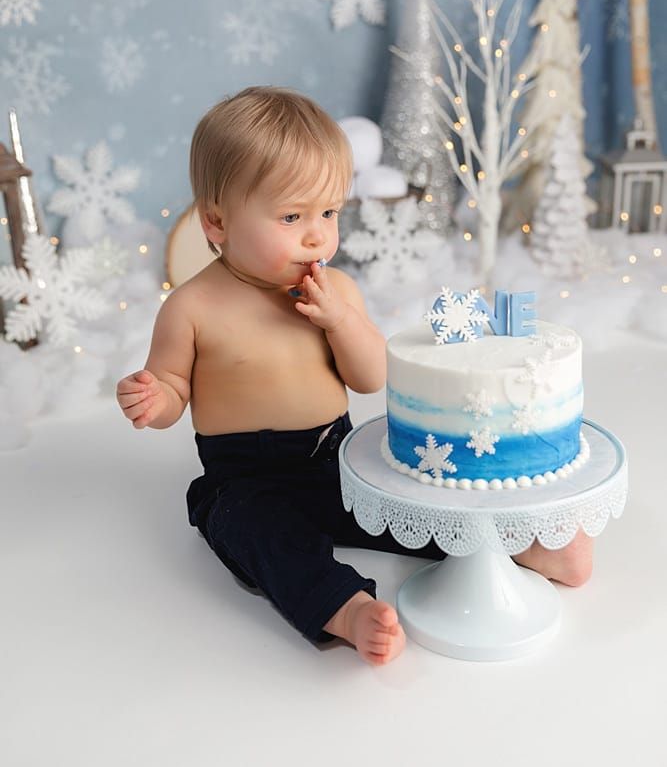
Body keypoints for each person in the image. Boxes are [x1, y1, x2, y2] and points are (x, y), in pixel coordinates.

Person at [116, 86, 594, 666]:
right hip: (244, 476)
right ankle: (342, 606)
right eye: (291, 216)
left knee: (410, 506)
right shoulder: (192, 307)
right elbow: (174, 389)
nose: (317, 234)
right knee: (255, 532)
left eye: (328, 213)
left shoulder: (334, 291)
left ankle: (520, 545)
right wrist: (154, 396)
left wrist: (339, 320)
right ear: (217, 221)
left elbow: (369, 378)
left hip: (333, 457)